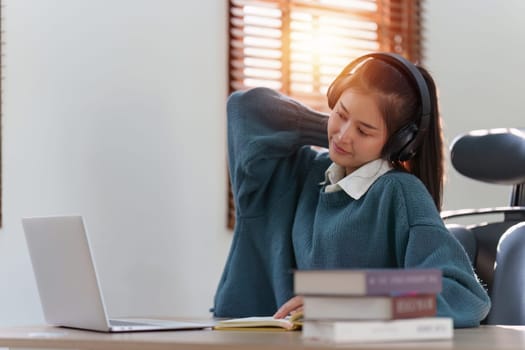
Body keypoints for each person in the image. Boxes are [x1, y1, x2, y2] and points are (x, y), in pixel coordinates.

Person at [212, 52, 491, 327]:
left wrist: (351, 303)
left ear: (398, 142)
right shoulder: (301, 172)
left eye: (365, 131)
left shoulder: (399, 193)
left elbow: (462, 295)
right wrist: (335, 130)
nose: (345, 135)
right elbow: (245, 110)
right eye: (341, 114)